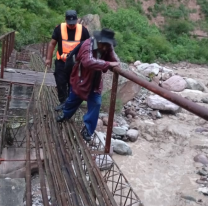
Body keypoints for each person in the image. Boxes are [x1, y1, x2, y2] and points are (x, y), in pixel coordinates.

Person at [57, 28, 120, 142]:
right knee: (73, 99)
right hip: (81, 79)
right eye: (104, 44)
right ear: (98, 40)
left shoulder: (107, 47)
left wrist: (112, 62)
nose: (105, 48)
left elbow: (116, 61)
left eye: (108, 45)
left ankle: (87, 130)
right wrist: (108, 63)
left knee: (96, 103)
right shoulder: (87, 45)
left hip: (95, 81)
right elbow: (88, 61)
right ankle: (65, 114)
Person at [45, 10, 90, 111]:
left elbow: (89, 45)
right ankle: (63, 101)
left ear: (77, 20)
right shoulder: (59, 29)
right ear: (65, 20)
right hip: (61, 62)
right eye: (69, 24)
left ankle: (69, 104)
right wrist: (48, 58)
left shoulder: (83, 30)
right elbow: (52, 43)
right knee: (60, 82)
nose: (71, 26)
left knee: (73, 84)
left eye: (73, 23)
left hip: (76, 64)